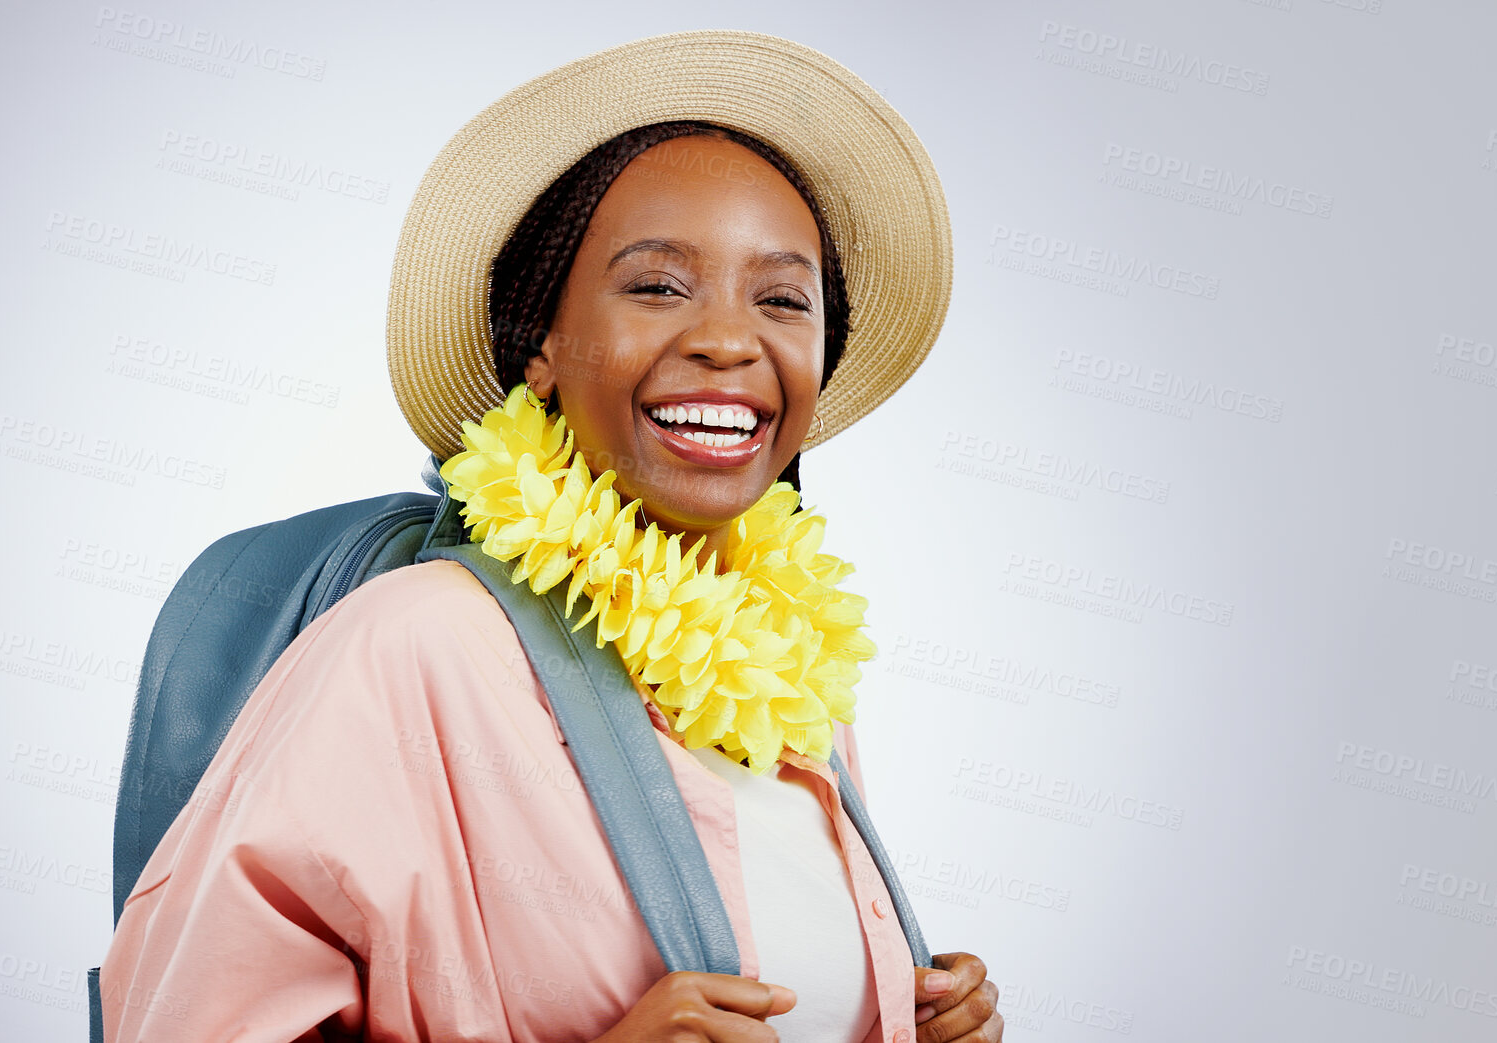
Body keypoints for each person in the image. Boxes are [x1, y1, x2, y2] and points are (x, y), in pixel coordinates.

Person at [99, 30, 1000, 1043]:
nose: (730, 339)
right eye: (659, 285)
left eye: (783, 299)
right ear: (542, 346)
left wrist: (904, 1009)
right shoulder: (414, 643)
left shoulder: (795, 676)